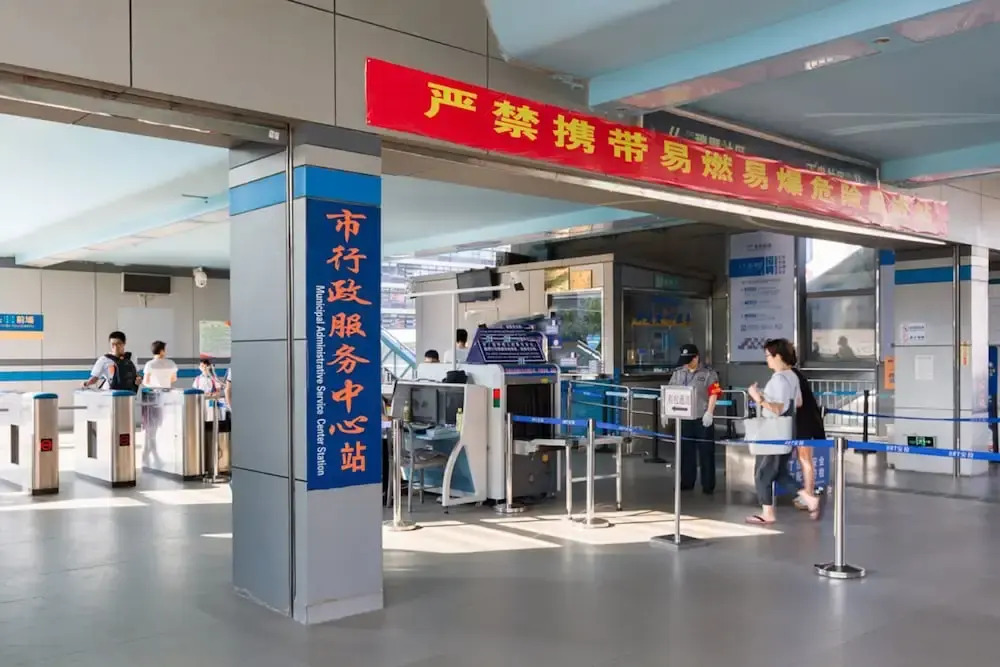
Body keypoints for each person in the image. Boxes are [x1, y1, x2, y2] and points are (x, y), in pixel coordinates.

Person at [746, 338, 821, 525]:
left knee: (763, 474)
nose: (767, 360)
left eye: (768, 356)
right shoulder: (793, 376)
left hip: (774, 431)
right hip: (788, 429)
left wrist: (758, 398)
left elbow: (777, 409)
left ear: (778, 356)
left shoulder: (779, 379)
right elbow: (798, 402)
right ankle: (807, 497)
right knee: (778, 472)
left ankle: (769, 513)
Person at [668, 344, 721, 494]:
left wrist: (709, 412)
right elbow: (670, 391)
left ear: (696, 358)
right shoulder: (678, 373)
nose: (686, 364)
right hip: (684, 418)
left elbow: (714, 393)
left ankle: (708, 485)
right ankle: (687, 481)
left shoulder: (709, 374)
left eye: (689, 360)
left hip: (702, 418)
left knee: (706, 453)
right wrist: (667, 413)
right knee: (686, 452)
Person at [790, 359, 825, 509]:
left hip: (805, 422)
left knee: (805, 458)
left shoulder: (791, 376)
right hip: (808, 421)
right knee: (805, 458)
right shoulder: (797, 375)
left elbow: (798, 401)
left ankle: (809, 493)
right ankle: (808, 492)